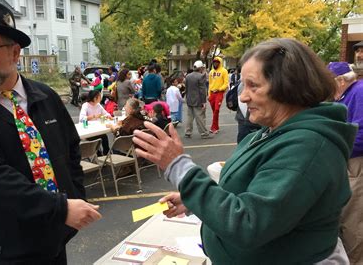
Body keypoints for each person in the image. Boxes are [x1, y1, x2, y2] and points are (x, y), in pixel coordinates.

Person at [132, 38, 356, 264]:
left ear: (288, 86)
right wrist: (195, 199)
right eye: (243, 85)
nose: (243, 96)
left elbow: (249, 223)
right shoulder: (272, 131)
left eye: (253, 86)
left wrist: (179, 167)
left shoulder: (307, 148)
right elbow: (255, 196)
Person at [0, 0, 101, 264]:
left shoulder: (45, 96)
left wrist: (75, 197)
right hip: (7, 251)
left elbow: (71, 150)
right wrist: (62, 209)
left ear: (15, 53)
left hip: (54, 239)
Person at [327, 62, 363, 264]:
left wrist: (336, 146)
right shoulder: (344, 95)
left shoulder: (359, 92)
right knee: (344, 218)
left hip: (355, 164)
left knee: (353, 222)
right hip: (346, 163)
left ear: (341, 80)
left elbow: (362, 134)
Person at [79, 90, 112, 155]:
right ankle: (98, 155)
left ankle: (106, 154)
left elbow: (106, 113)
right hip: (89, 130)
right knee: (98, 139)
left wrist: (108, 116)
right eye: (99, 96)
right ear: (95, 98)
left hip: (97, 128)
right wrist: (94, 116)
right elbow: (81, 119)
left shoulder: (98, 105)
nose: (101, 98)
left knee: (104, 137)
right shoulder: (85, 105)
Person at [184, 60, 209, 139]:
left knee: (189, 117)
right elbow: (202, 90)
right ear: (200, 68)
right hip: (198, 100)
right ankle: (204, 133)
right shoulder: (201, 76)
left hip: (189, 99)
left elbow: (186, 88)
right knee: (200, 117)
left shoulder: (188, 76)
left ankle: (188, 132)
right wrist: (204, 101)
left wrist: (186, 97)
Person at [208, 56, 229, 134]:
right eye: (214, 62)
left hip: (219, 93)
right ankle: (216, 127)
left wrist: (220, 89)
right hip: (212, 93)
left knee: (216, 110)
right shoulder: (211, 72)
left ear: (220, 63)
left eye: (217, 62)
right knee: (214, 111)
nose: (215, 63)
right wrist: (209, 94)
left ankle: (213, 127)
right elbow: (210, 84)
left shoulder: (224, 71)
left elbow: (226, 83)